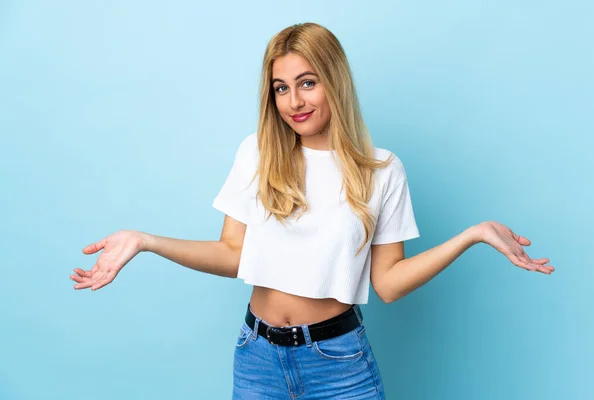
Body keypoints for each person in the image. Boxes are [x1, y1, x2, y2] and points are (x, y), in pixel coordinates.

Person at [70, 22, 555, 399]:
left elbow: (387, 284)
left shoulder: (382, 170)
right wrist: (146, 242)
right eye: (281, 88)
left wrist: (469, 235)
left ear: (334, 82)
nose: (294, 101)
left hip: (337, 363)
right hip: (256, 357)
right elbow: (232, 253)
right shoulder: (258, 152)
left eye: (307, 83)